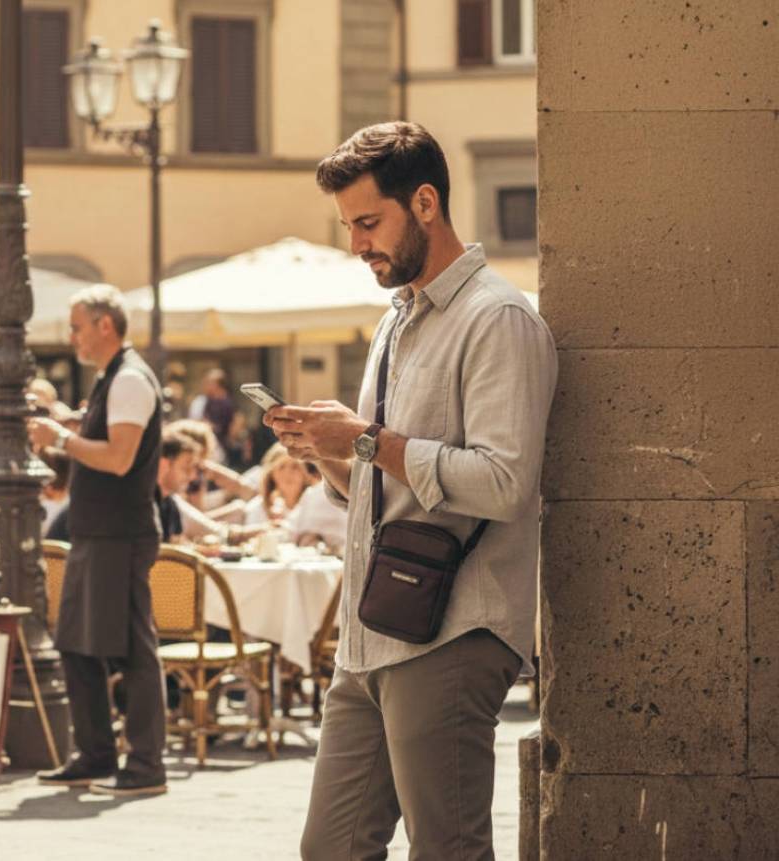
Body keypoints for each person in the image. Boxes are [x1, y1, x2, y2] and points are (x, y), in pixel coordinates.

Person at [266, 122, 557, 860]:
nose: (358, 244)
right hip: (371, 630)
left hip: (454, 627)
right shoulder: (393, 323)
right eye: (349, 227)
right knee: (329, 847)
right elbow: (384, 485)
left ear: (425, 202)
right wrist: (328, 454)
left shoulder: (498, 318)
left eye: (369, 222)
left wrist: (365, 440)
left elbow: (505, 482)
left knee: (447, 848)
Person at [28, 285, 168, 797]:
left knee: (132, 649)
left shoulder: (130, 378)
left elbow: (118, 458)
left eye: (77, 326)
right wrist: (71, 425)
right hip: (96, 531)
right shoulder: (114, 378)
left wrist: (61, 439)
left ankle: (147, 765)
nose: (72, 337)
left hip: (120, 532)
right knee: (75, 645)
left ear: (104, 325)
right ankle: (93, 755)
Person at [156, 430, 200, 543]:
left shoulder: (170, 504)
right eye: (186, 468)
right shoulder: (144, 504)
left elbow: (177, 545)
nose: (192, 477)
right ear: (164, 464)